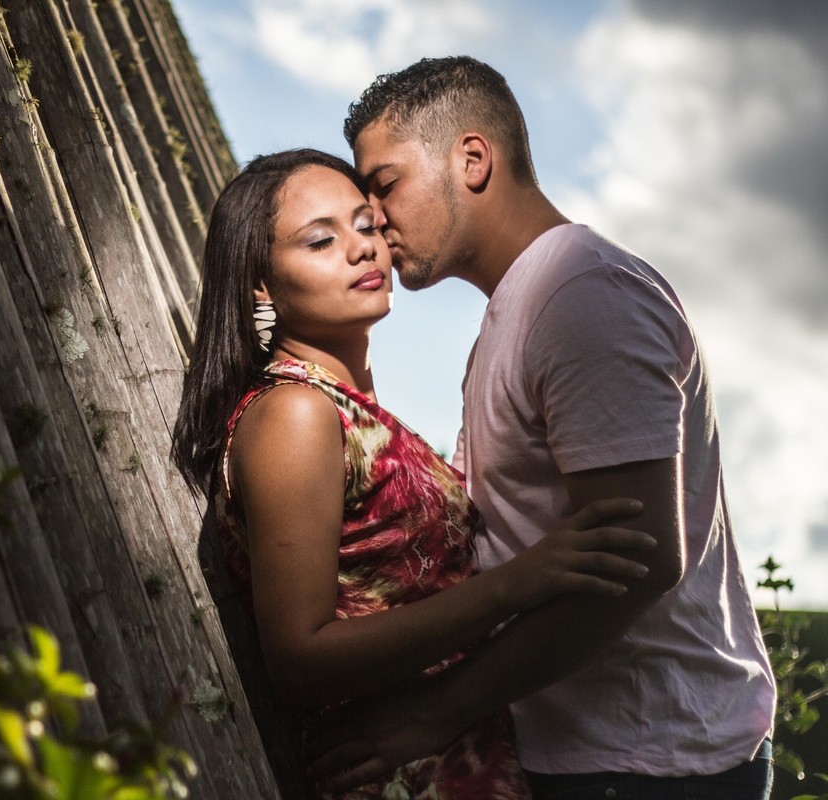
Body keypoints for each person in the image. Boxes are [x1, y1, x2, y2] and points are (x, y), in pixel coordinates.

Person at [304, 56, 778, 799]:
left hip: (652, 764)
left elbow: (642, 560)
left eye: (385, 182)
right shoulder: (519, 310)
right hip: (591, 755)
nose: (373, 215)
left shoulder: (580, 294)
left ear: (471, 159)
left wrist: (436, 714)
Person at [171, 148, 657, 799]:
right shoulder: (295, 413)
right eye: (321, 240)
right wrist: (518, 583)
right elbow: (300, 660)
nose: (360, 250)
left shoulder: (350, 411)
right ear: (260, 285)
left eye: (366, 226)